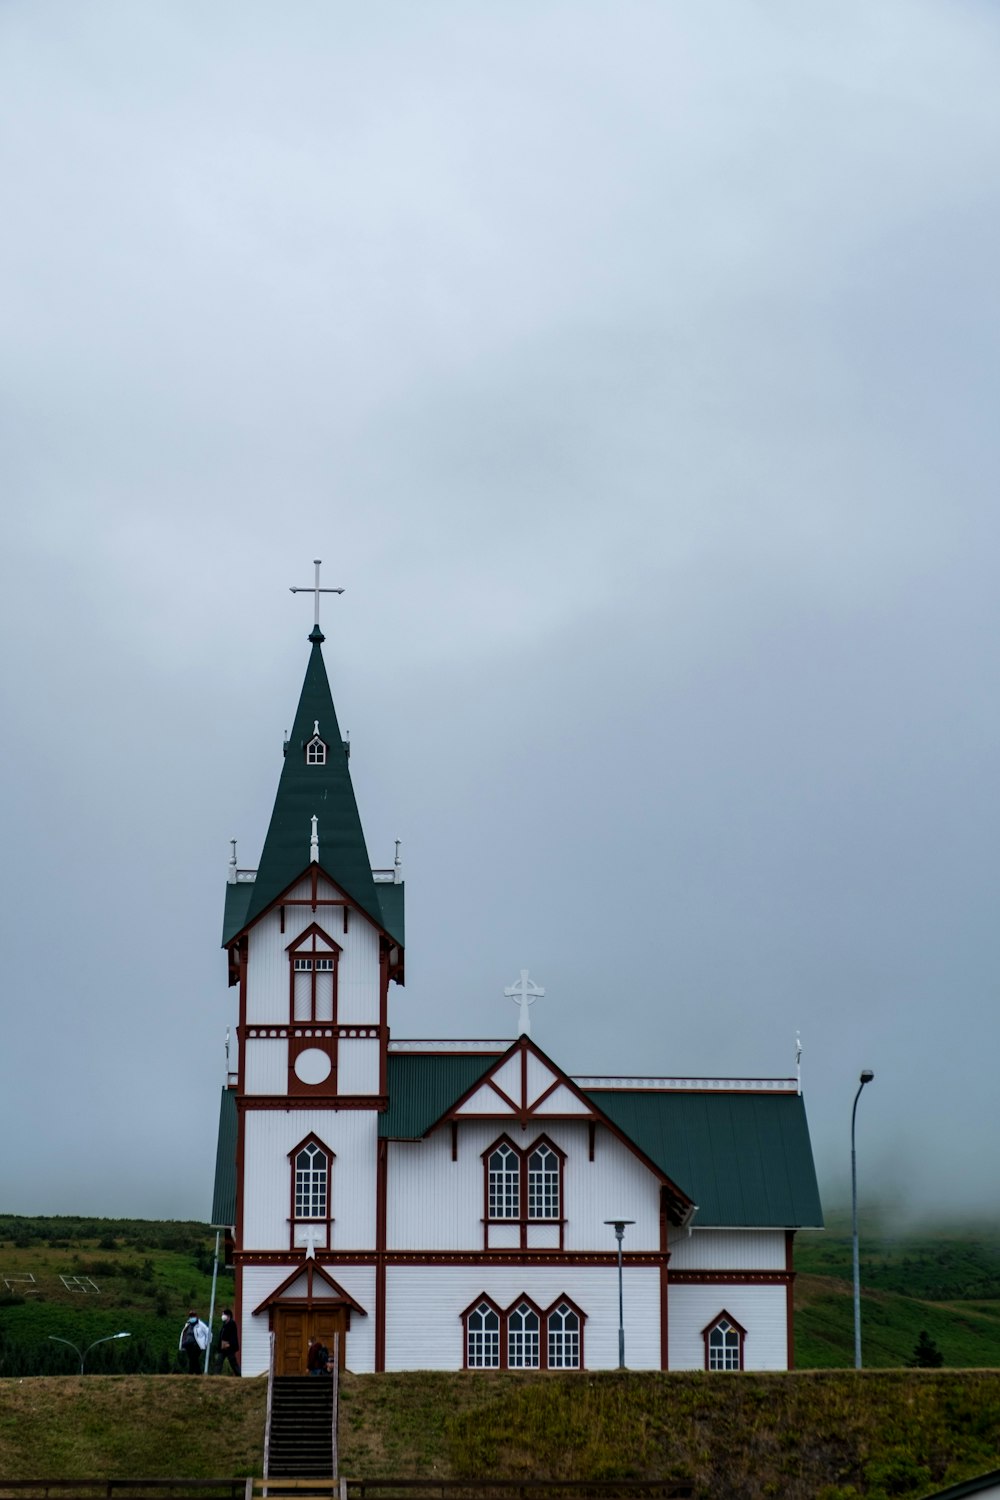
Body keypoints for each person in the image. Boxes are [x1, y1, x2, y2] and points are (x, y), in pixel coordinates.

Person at [215, 1308, 241, 1376]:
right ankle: (216, 1375)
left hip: (230, 1347)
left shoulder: (232, 1324)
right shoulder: (224, 1325)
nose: (222, 1316)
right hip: (223, 1347)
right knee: (219, 1361)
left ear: (228, 1315)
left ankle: (238, 1375)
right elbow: (221, 1336)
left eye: (224, 1314)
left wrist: (230, 1344)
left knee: (233, 1362)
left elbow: (233, 1336)